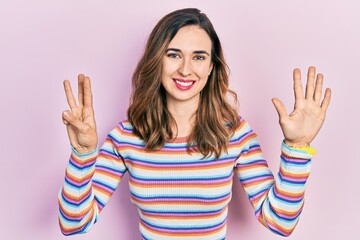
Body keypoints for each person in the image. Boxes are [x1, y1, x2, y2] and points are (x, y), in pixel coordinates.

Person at [58, 8, 331, 240]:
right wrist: (82, 156)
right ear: (157, 60)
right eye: (173, 54)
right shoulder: (125, 136)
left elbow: (280, 222)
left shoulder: (235, 133)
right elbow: (73, 224)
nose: (186, 69)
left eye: (199, 57)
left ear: (211, 66)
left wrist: (297, 147)